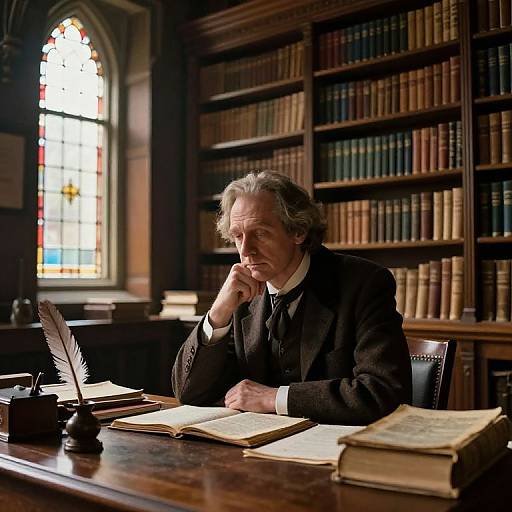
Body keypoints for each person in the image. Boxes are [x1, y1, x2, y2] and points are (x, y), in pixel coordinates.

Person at [172, 171, 412, 424]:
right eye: (238, 236)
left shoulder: (364, 283)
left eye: (260, 233)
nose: (246, 251)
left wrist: (274, 398)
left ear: (298, 231)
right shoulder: (240, 296)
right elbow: (189, 392)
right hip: (255, 449)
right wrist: (218, 314)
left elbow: (382, 394)